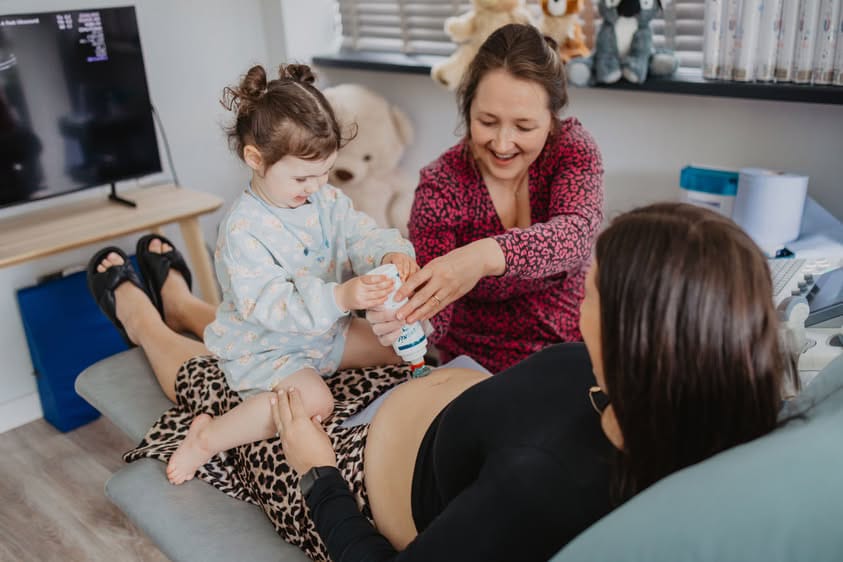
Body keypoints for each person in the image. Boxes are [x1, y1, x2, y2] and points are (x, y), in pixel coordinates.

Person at [92, 202, 794, 561]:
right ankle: (186, 303)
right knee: (291, 342)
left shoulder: (543, 485)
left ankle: (142, 316)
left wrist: (314, 470)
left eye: (594, 289)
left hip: (345, 470)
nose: (581, 288)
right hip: (419, 396)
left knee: (224, 383)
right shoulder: (677, 396)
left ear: (638, 338)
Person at [91, 63, 419, 486]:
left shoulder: (325, 198)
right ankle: (206, 438)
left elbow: (360, 234)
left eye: (325, 172)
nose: (318, 185)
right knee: (312, 402)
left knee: (397, 347)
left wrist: (390, 253)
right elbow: (271, 304)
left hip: (325, 337)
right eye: (304, 176)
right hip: (269, 348)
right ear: (255, 158)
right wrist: (341, 298)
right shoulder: (243, 229)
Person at [368, 23, 604, 374]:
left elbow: (576, 233)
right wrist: (407, 322)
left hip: (575, 353)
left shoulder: (571, 151)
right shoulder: (441, 185)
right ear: (467, 110)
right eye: (488, 122)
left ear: (552, 120)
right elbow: (436, 311)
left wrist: (482, 256)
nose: (503, 143)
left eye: (524, 127)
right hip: (480, 369)